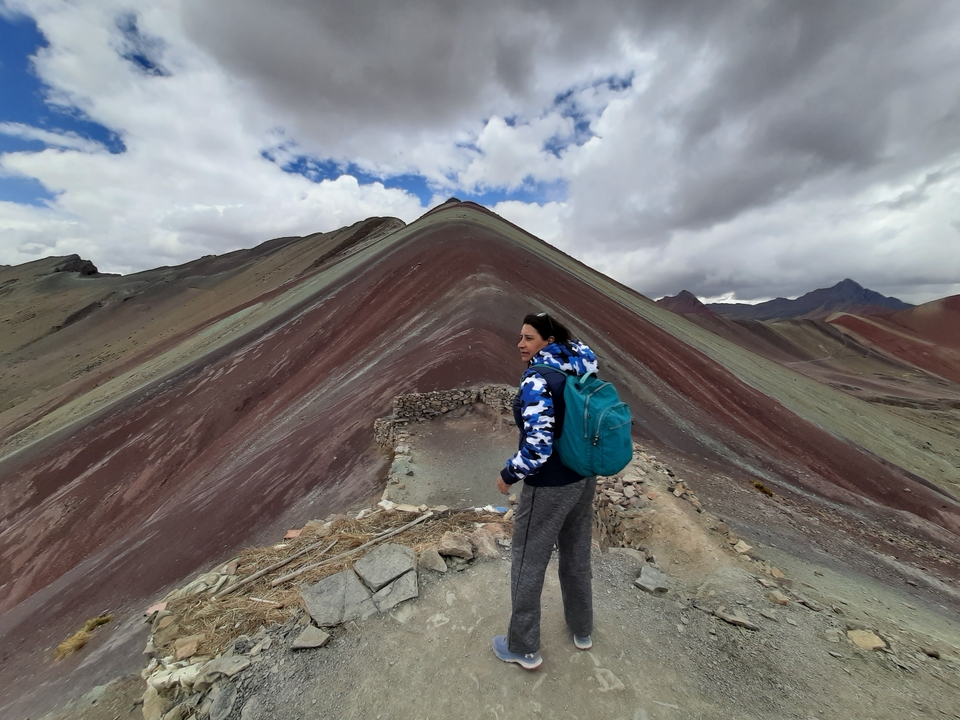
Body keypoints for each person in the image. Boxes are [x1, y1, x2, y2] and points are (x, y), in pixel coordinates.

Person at [492, 312, 599, 670]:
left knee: (527, 560)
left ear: (548, 342)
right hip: (583, 478)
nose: (520, 344)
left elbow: (538, 445)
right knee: (576, 553)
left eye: (529, 338)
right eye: (520, 338)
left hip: (550, 485)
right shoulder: (582, 369)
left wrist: (509, 474)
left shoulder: (538, 379)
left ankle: (523, 647)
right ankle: (582, 629)